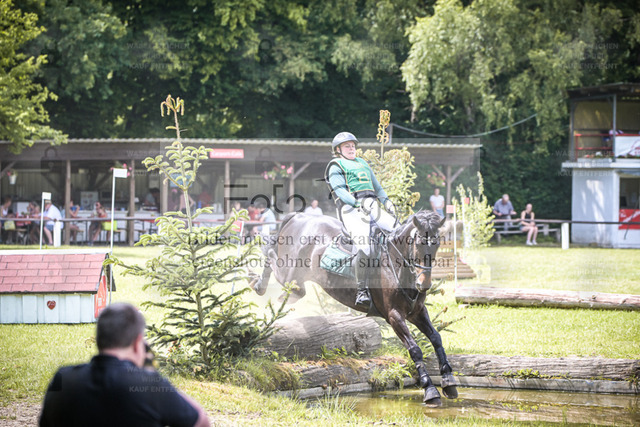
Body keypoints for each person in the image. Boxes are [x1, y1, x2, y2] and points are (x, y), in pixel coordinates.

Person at [39, 302, 210, 427]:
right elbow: (201, 422)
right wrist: (153, 375)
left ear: (99, 340)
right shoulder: (149, 385)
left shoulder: (62, 378)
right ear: (137, 343)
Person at [325, 131, 397, 308]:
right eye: (347, 146)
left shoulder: (362, 163)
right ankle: (362, 290)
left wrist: (387, 202)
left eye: (353, 146)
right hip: (351, 209)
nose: (351, 148)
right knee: (364, 245)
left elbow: (378, 188)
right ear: (338, 150)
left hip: (372, 205)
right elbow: (340, 190)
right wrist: (356, 204)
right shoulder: (335, 165)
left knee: (398, 230)